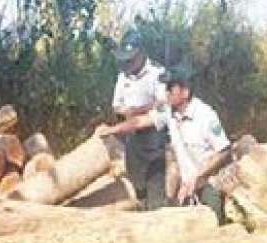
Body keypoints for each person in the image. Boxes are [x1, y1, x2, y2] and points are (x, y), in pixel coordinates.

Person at [97, 30, 170, 210]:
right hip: (130, 135)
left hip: (153, 136)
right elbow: (117, 105)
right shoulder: (123, 75)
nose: (129, 63)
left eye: (132, 58)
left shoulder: (158, 73)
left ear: (141, 53)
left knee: (155, 189)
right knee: (135, 189)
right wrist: (127, 113)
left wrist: (137, 111)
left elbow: (162, 104)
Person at [162, 67, 231, 223]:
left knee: (213, 226)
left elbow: (224, 151)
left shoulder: (205, 115)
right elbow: (144, 120)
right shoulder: (169, 114)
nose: (166, 93)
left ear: (185, 92)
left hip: (209, 185)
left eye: (170, 89)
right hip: (186, 189)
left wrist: (198, 177)